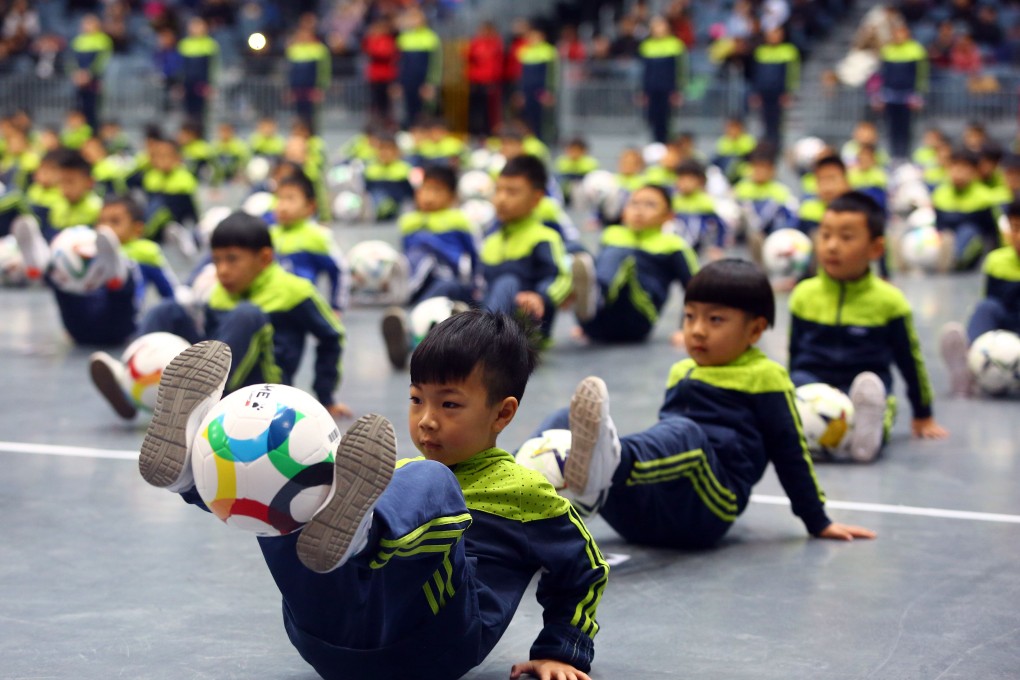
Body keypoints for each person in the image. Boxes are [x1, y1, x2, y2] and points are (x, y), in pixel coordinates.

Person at [136, 310, 608, 680]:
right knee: (301, 486)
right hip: (326, 639)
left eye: (449, 404)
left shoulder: (522, 491)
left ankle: (364, 536)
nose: (426, 419)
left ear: (502, 414)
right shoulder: (396, 479)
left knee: (430, 481)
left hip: (431, 647)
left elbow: (584, 567)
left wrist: (561, 650)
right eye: (416, 398)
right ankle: (191, 475)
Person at [533, 259, 876, 547]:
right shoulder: (683, 370)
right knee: (563, 420)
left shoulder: (765, 376)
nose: (697, 330)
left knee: (685, 433)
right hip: (647, 511)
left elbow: (790, 452)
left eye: (715, 320)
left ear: (755, 331)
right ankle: (512, 493)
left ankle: (609, 461)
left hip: (709, 507)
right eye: (690, 316)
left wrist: (817, 520)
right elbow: (663, 453)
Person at [124, 212, 348, 416]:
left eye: (232, 259)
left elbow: (332, 336)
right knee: (168, 310)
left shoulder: (295, 291)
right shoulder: (218, 293)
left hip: (267, 392)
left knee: (247, 314)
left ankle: (201, 401)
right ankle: (129, 382)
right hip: (220, 383)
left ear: (264, 258)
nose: (221, 270)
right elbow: (212, 341)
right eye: (216, 260)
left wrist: (325, 396)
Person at [789, 192, 949, 463]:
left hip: (864, 385)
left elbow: (911, 361)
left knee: (877, 398)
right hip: (814, 380)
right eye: (825, 235)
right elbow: (794, 353)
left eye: (846, 237)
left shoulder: (889, 300)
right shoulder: (804, 294)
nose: (832, 246)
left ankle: (868, 435)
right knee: (795, 390)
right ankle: (800, 429)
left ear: (875, 249)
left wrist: (923, 414)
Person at [15, 195, 176, 351]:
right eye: (101, 221)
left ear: (137, 228)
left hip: (120, 327)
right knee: (65, 277)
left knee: (127, 276)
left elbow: (170, 292)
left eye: (115, 222)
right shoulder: (89, 248)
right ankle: (39, 264)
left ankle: (117, 275)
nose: (105, 228)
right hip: (79, 327)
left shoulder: (146, 251)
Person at [571, 185, 699, 345]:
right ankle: (590, 306)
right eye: (634, 204)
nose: (639, 210)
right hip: (594, 325)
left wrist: (687, 328)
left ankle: (596, 298)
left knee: (624, 257)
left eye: (650, 205)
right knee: (575, 251)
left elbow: (695, 289)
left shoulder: (674, 245)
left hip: (637, 320)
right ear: (624, 211)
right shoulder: (611, 234)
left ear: (669, 216)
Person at [940, 200, 1020, 395]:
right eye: (1016, 228)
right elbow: (993, 301)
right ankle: (968, 364)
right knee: (986, 307)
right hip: (1007, 326)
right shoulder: (995, 261)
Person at [271, 172, 349, 315]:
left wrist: (336, 306)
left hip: (301, 307)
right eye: (279, 199)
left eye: (290, 199)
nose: (283, 206)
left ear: (310, 206)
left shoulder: (317, 236)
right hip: (271, 307)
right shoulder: (269, 235)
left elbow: (339, 271)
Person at [932, 149, 1000, 272]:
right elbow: (937, 227)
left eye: (963, 168)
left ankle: (953, 260)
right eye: (954, 166)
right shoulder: (939, 194)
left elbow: (993, 235)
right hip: (943, 242)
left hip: (972, 252)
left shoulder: (985, 197)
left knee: (968, 230)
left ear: (974, 171)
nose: (957, 172)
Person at [734, 146, 799, 264]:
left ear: (772, 171)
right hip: (745, 236)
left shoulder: (781, 191)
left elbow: (792, 216)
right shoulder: (741, 189)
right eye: (756, 167)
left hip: (772, 235)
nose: (759, 172)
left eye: (764, 168)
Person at [876, 22, 927, 161]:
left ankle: (906, 155)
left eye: (901, 33)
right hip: (890, 95)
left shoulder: (916, 50)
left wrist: (918, 95)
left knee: (907, 127)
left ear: (907, 34)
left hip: (908, 96)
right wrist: (880, 95)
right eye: (896, 33)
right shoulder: (887, 50)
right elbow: (882, 75)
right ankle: (893, 156)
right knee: (891, 127)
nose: (898, 36)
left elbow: (921, 74)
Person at [638, 16, 688, 145]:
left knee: (667, 120)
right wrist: (642, 91)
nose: (658, 29)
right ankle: (655, 144)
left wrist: (678, 90)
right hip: (652, 89)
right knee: (652, 118)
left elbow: (681, 70)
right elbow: (644, 72)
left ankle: (667, 145)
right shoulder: (646, 45)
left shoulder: (675, 44)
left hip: (668, 89)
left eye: (661, 25)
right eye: (655, 26)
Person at [749, 26, 799, 149]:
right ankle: (766, 147)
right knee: (764, 122)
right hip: (764, 93)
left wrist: (789, 92)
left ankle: (777, 148)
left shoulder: (789, 51)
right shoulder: (760, 51)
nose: (774, 36)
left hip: (779, 94)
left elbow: (793, 73)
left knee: (777, 123)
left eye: (777, 33)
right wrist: (755, 92)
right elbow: (755, 74)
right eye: (771, 33)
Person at [671, 160, 728, 260]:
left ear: (700, 181)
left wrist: (718, 246)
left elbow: (720, 226)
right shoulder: (672, 201)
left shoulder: (706, 202)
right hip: (676, 245)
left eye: (689, 179)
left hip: (699, 247)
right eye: (681, 178)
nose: (684, 183)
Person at [397, 8, 442, 129]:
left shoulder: (431, 37)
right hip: (408, 81)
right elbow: (400, 63)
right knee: (409, 111)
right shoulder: (404, 37)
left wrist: (431, 83)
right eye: (411, 18)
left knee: (426, 113)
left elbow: (435, 64)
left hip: (424, 82)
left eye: (416, 18)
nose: (413, 21)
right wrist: (399, 83)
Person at [286, 22, 331, 135]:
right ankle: (299, 136)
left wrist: (321, 88)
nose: (303, 36)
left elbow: (324, 71)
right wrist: (290, 89)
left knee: (312, 116)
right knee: (298, 115)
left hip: (312, 89)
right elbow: (290, 72)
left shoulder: (320, 49)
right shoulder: (293, 49)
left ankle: (313, 137)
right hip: (297, 89)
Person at [178, 16, 219, 137]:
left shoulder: (210, 44)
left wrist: (211, 85)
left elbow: (213, 67)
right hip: (187, 84)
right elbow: (181, 67)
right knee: (188, 114)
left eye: (199, 25)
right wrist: (180, 85)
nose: (196, 28)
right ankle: (189, 137)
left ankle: (202, 137)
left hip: (202, 84)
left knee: (202, 114)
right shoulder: (184, 44)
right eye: (193, 25)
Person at [47, 148, 103, 238]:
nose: (65, 188)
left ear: (89, 182)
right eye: (61, 182)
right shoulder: (56, 209)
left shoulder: (98, 210)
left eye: (70, 182)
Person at [70, 14, 113, 130]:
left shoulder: (103, 40)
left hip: (95, 81)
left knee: (93, 109)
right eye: (84, 23)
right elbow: (72, 60)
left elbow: (102, 61)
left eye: (89, 23)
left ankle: (94, 133)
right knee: (78, 108)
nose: (86, 26)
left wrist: (90, 74)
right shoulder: (78, 40)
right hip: (79, 81)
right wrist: (76, 74)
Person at [517, 29, 559, 144]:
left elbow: (552, 74)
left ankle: (545, 142)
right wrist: (521, 92)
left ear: (542, 36)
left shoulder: (549, 51)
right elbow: (522, 75)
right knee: (529, 116)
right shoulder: (524, 51)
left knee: (544, 118)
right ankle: (532, 140)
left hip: (541, 91)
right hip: (528, 90)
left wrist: (549, 91)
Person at [363, 134, 414, 222]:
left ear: (397, 152)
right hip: (374, 203)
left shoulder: (404, 169)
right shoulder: (370, 169)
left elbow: (409, 193)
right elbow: (366, 191)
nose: (385, 153)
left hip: (397, 203)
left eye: (389, 149)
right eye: (382, 149)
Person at [466, 21, 504, 139]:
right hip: (476, 81)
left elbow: (498, 63)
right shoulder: (476, 42)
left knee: (489, 110)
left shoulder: (496, 43)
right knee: (475, 108)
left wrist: (495, 79)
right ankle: (474, 132)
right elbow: (468, 57)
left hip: (490, 82)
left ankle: (489, 133)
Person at [797, 154, 850, 234]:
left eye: (831, 179)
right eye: (821, 180)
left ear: (846, 181)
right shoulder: (807, 212)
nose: (827, 187)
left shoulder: (860, 210)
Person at [362, 18, 398, 125]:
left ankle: (386, 123)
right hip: (374, 76)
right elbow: (368, 50)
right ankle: (376, 122)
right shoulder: (371, 40)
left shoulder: (388, 40)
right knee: (374, 101)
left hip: (386, 76)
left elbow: (386, 54)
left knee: (386, 103)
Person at [555, 137, 599, 206]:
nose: (574, 153)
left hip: (585, 196)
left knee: (577, 187)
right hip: (565, 194)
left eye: (577, 150)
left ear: (583, 151)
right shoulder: (562, 162)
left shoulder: (590, 163)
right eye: (571, 149)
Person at [711, 117, 756, 183]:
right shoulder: (722, 141)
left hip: (744, 168)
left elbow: (750, 157)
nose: (732, 130)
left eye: (735, 127)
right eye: (730, 127)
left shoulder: (749, 140)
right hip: (725, 169)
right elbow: (720, 159)